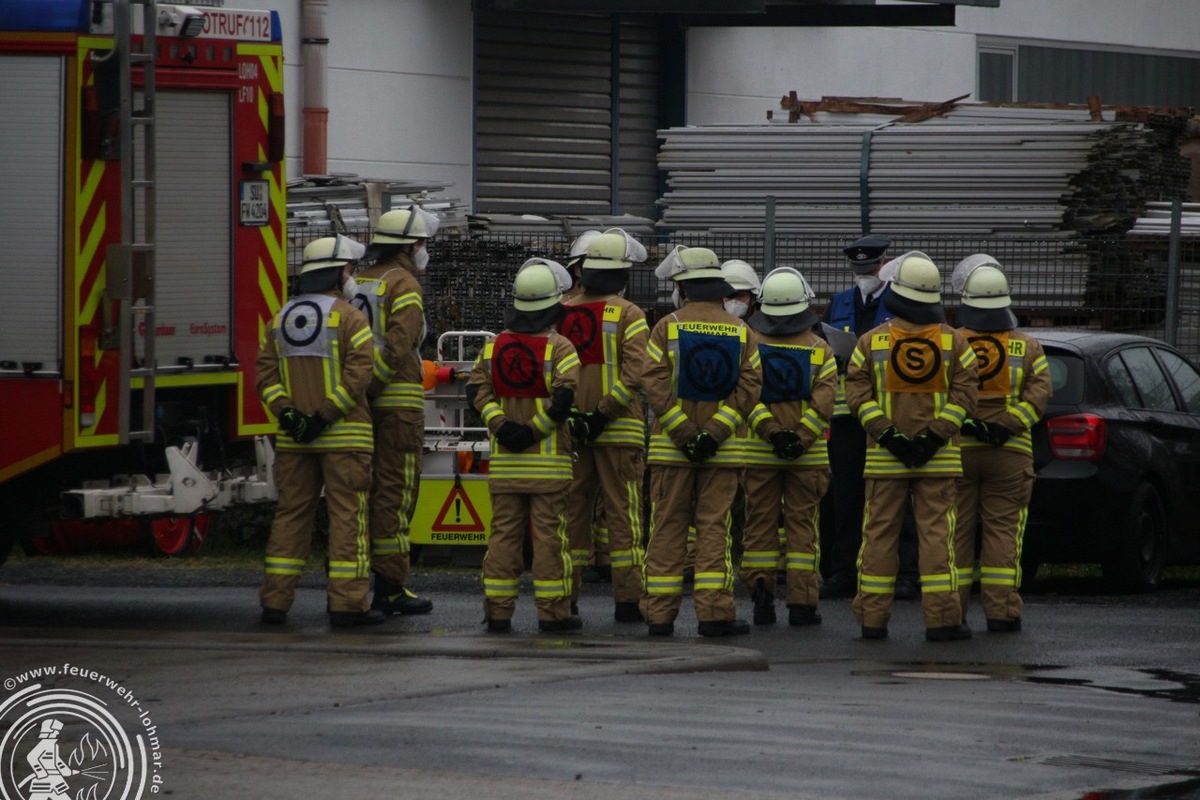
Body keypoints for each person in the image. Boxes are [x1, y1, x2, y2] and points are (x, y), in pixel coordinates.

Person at [844, 252, 978, 641]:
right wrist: (935, 436)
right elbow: (967, 394)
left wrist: (888, 436)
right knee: (937, 537)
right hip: (939, 460)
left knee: (879, 535)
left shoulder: (872, 341)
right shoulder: (955, 342)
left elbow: (856, 393)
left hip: (886, 459)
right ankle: (942, 620)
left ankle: (872, 620)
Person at [257, 236, 382, 627]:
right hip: (345, 439)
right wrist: (324, 416)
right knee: (348, 519)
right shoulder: (349, 318)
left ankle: (275, 603)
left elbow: (265, 375)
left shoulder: (278, 318)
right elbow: (360, 374)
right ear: (338, 273)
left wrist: (290, 416)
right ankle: (348, 605)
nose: (352, 276)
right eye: (349, 270)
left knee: (290, 516)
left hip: (294, 442)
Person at [642, 245, 762, 637]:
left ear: (684, 287)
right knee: (714, 530)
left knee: (667, 529)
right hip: (722, 452)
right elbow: (749, 388)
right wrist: (714, 434)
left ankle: (659, 617)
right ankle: (715, 615)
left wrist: (682, 432)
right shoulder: (742, 331)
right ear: (720, 290)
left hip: (671, 451)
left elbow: (654, 385)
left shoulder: (666, 327)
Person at [466, 262, 581, 633]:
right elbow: (563, 401)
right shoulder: (561, 347)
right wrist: (533, 432)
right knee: (549, 541)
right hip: (548, 468)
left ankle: (498, 613)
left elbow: (476, 393)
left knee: (502, 538)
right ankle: (553, 615)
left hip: (505, 466)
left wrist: (502, 427)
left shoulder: (492, 346)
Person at [951, 257, 1052, 632]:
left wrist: (970, 424)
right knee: (1003, 535)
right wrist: (1004, 427)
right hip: (1010, 454)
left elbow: (939, 394)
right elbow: (1039, 396)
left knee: (955, 534)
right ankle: (1002, 612)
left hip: (958, 451)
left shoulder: (951, 342)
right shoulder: (1028, 346)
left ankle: (951, 614)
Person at [819, 234, 920, 601]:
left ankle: (907, 572)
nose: (864, 274)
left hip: (892, 416)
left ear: (885, 265)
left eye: (871, 267)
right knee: (847, 497)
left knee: (898, 497)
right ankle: (844, 570)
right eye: (858, 268)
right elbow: (824, 350)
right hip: (848, 417)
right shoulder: (840, 303)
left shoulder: (904, 302)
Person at [557, 229, 650, 622]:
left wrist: (577, 416)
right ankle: (628, 601)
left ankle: (567, 597)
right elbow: (637, 372)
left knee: (572, 513)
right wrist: (605, 412)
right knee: (623, 513)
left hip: (572, 430)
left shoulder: (559, 310)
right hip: (619, 430)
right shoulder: (631, 314)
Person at [352, 205, 438, 617]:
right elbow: (399, 345)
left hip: (356, 404)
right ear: (410, 246)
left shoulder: (359, 281)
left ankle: (354, 580)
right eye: (423, 244)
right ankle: (390, 586)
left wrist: (357, 391)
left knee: (360, 494)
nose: (425, 251)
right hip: (396, 406)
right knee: (395, 493)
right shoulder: (404, 284)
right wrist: (374, 385)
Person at [739, 268, 837, 626]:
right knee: (803, 528)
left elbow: (747, 394)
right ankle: (803, 604)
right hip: (807, 457)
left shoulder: (749, 342)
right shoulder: (820, 348)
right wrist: (800, 438)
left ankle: (762, 597)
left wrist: (772, 433)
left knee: (759, 525)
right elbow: (824, 402)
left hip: (759, 452)